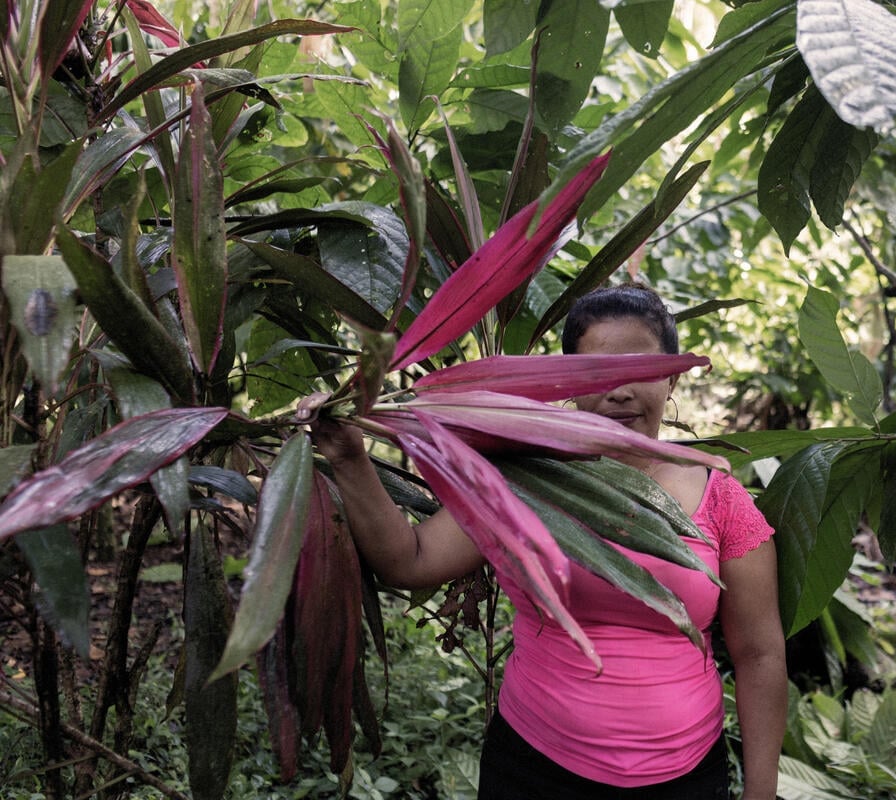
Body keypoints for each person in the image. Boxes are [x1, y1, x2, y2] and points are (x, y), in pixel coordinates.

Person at [312, 284, 787, 799]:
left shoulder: (723, 501)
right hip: (534, 769)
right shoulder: (525, 481)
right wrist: (349, 458)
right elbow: (410, 559)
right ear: (567, 381)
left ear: (671, 376)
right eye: (597, 373)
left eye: (641, 370)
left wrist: (760, 791)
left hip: (686, 779)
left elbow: (760, 654)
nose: (619, 390)